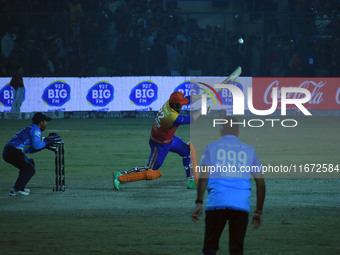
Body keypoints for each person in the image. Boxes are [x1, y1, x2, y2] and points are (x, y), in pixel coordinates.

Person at [191, 116, 266, 255]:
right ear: (238, 131)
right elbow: (260, 183)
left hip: (216, 201)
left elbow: (203, 176)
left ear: (221, 131)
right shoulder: (249, 150)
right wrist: (259, 211)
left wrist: (199, 202)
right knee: (236, 249)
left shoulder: (211, 148)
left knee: (210, 247)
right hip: (241, 203)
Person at [113, 91, 202, 190]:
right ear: (175, 105)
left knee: (187, 152)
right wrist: (202, 110)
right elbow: (192, 119)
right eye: (180, 105)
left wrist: (202, 96)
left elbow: (187, 99)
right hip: (159, 144)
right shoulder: (172, 117)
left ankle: (191, 180)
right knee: (150, 169)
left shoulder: (169, 103)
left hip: (168, 139)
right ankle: (120, 176)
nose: (182, 107)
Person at [2, 112, 61, 196]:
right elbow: (36, 146)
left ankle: (18, 187)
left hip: (9, 151)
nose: (46, 124)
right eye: (45, 121)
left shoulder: (32, 127)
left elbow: (31, 149)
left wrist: (44, 145)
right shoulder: (36, 129)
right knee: (29, 168)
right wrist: (46, 142)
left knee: (28, 166)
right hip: (13, 151)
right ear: (41, 122)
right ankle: (17, 189)